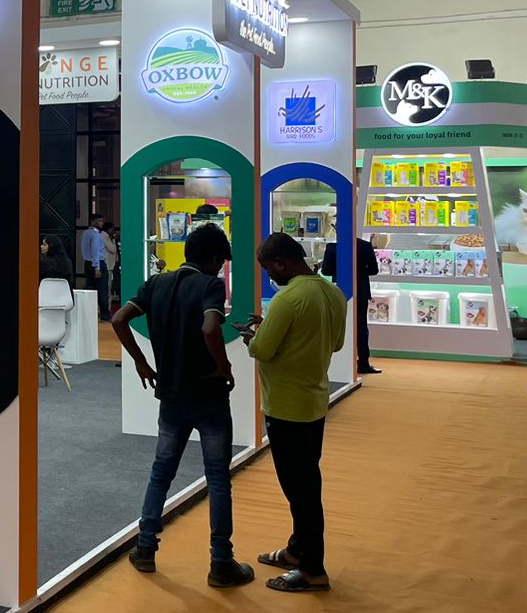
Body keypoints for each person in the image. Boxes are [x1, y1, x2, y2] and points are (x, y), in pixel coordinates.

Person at [111, 223, 254, 589]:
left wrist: (141, 362)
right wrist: (224, 366)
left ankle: (146, 548)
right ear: (213, 258)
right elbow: (209, 327)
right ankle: (220, 561)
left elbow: (119, 318)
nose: (220, 268)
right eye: (220, 261)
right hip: (208, 395)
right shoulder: (210, 286)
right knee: (218, 478)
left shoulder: (156, 283)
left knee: (162, 471)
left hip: (171, 394)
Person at [243, 232, 347, 593]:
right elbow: (336, 343)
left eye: (268, 268)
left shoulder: (287, 299)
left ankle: (313, 569)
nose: (269, 275)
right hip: (314, 402)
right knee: (305, 483)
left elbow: (263, 350)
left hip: (286, 406)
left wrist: (253, 337)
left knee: (301, 492)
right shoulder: (332, 293)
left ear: (281, 263)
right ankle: (296, 550)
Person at [321, 234, 380, 375]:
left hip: (339, 292)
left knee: (338, 326)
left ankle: (338, 362)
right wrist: (360, 270)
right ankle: (363, 363)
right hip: (360, 291)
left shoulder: (332, 248)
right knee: (361, 327)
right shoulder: (365, 246)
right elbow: (374, 270)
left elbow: (325, 270)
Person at [78, 215, 107, 316]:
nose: (101, 223)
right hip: (97, 263)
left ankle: (90, 313)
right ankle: (105, 314)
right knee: (102, 290)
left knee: (90, 289)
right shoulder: (95, 234)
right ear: (92, 221)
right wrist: (97, 267)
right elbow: (95, 251)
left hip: (87, 263)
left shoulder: (85, 233)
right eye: (99, 221)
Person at [101, 222, 120, 315]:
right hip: (108, 266)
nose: (114, 231)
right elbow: (112, 249)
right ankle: (106, 310)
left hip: (110, 266)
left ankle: (107, 309)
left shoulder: (106, 237)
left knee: (109, 289)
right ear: (108, 229)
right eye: (112, 229)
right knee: (108, 289)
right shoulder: (105, 237)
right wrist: (114, 240)